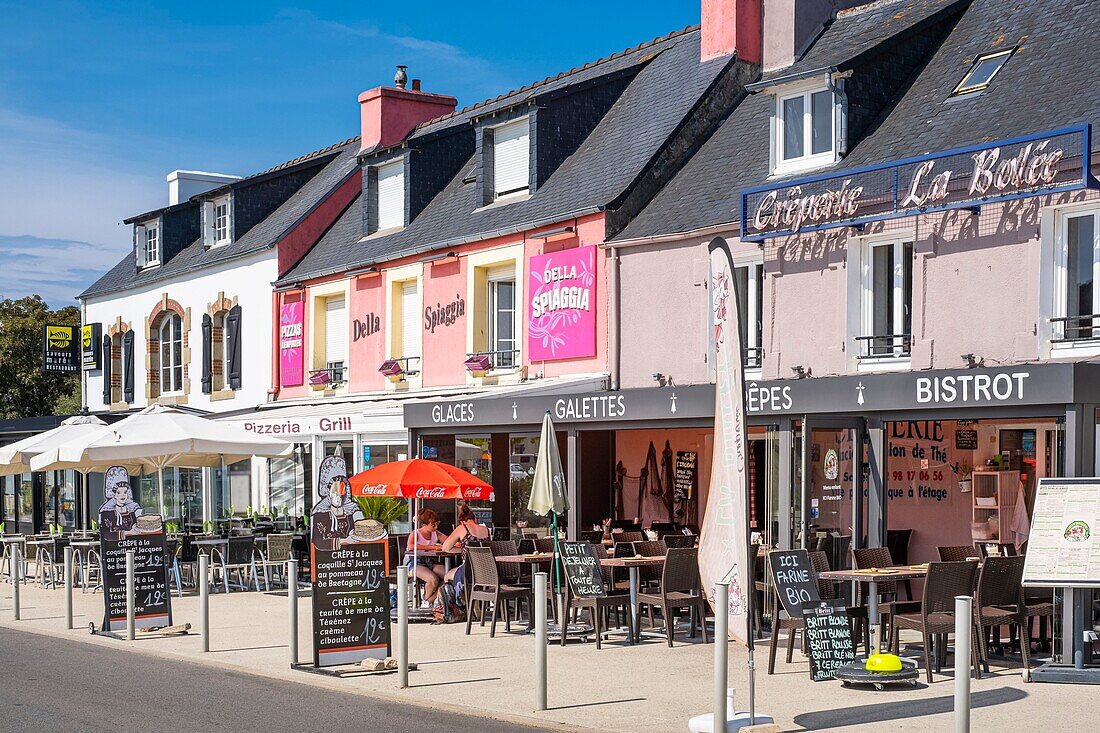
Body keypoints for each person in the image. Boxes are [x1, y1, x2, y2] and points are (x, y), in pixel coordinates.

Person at [310, 455, 363, 551]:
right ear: (328, 492)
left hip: (349, 556)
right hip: (327, 559)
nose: (338, 496)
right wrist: (343, 541)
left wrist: (353, 533)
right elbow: (317, 541)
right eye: (335, 491)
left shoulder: (350, 512)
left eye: (342, 491)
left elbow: (354, 530)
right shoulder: (320, 513)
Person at [442, 502, 491, 597]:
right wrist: (464, 549)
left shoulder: (462, 528)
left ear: (462, 522)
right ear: (475, 519)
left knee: (447, 577)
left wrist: (463, 549)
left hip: (469, 569)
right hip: (487, 569)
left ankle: (457, 605)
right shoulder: (486, 530)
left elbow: (445, 547)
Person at [406, 508, 448, 606]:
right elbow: (411, 546)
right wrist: (432, 547)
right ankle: (427, 600)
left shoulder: (436, 533)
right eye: (433, 525)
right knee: (433, 579)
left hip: (431, 561)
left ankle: (427, 600)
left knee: (449, 577)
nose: (436, 527)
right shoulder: (415, 533)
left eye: (437, 524)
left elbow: (447, 540)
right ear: (425, 524)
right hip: (415, 562)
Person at [99, 465, 143, 540]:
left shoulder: (132, 510)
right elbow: (106, 534)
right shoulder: (106, 512)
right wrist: (128, 533)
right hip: (114, 549)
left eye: (125, 492)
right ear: (114, 494)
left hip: (133, 545)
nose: (123, 495)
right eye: (119, 492)